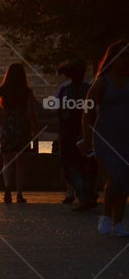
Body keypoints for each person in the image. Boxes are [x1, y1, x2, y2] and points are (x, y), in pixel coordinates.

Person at [82, 40, 129, 237]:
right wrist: (86, 137)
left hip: (126, 138)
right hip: (105, 139)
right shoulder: (102, 82)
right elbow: (87, 110)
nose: (125, 60)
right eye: (121, 56)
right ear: (113, 58)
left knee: (124, 180)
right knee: (115, 178)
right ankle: (106, 216)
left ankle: (118, 222)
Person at [54, 61, 96, 210]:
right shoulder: (89, 88)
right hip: (87, 130)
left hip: (69, 132)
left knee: (70, 166)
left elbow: (58, 110)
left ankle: (83, 196)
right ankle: (89, 193)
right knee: (87, 163)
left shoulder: (64, 89)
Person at [0, 63, 39, 203]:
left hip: (7, 124)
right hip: (22, 125)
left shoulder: (3, 89)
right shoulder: (26, 91)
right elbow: (30, 111)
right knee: (21, 162)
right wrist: (34, 125)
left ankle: (7, 188)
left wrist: (2, 115)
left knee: (6, 161)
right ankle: (19, 194)